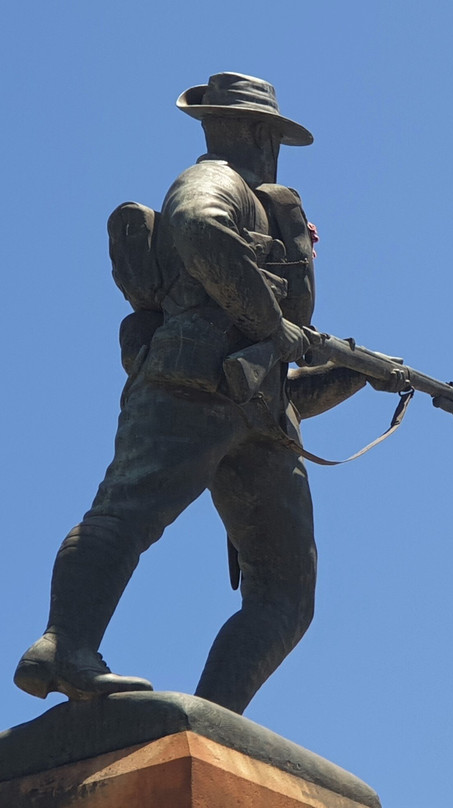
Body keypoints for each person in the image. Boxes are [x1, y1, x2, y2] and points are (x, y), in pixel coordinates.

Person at [14, 73, 372, 715]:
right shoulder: (213, 181)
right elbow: (200, 228)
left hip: (253, 413)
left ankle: (215, 725)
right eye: (274, 138)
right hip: (188, 382)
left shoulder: (260, 198)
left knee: (285, 597)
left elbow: (272, 380)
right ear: (262, 133)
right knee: (125, 514)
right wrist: (272, 322)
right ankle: (64, 646)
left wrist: (355, 374)